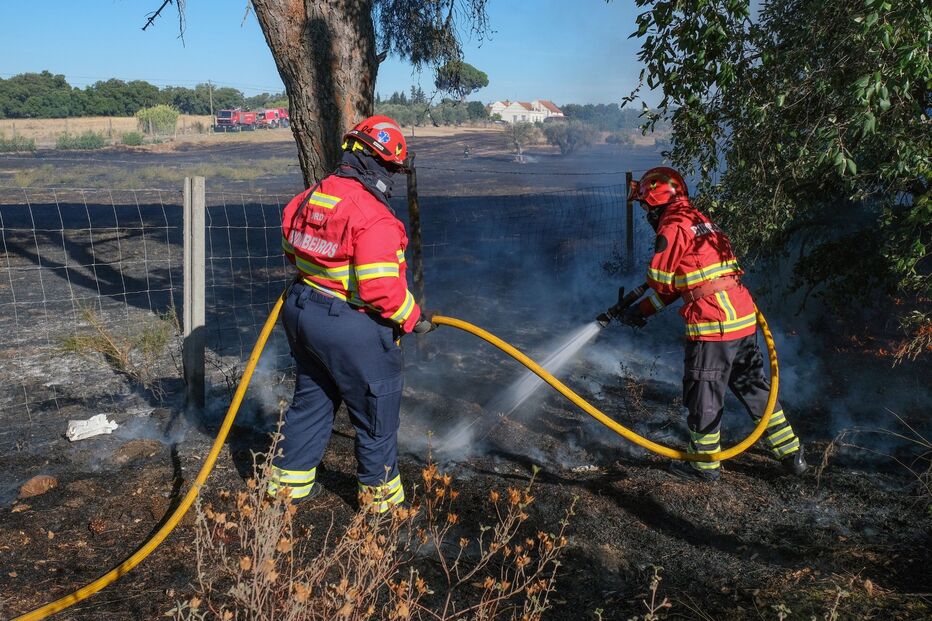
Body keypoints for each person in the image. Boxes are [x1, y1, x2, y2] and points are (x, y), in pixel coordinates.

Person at [272, 115, 437, 511]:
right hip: (350, 326)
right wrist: (413, 318)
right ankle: (380, 508)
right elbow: (381, 289)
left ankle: (285, 492)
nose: (393, 177)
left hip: (301, 312)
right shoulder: (375, 217)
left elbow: (292, 250)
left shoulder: (313, 195)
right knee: (376, 413)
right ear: (381, 163)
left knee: (312, 400)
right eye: (393, 168)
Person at [620, 167, 807, 481]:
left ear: (657, 202)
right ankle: (792, 455)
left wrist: (643, 297)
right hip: (742, 317)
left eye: (645, 206)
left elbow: (663, 283)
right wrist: (640, 312)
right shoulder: (701, 221)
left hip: (713, 323)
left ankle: (704, 466)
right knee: (754, 387)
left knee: (704, 393)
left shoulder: (673, 224)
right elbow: (686, 286)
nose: (646, 214)